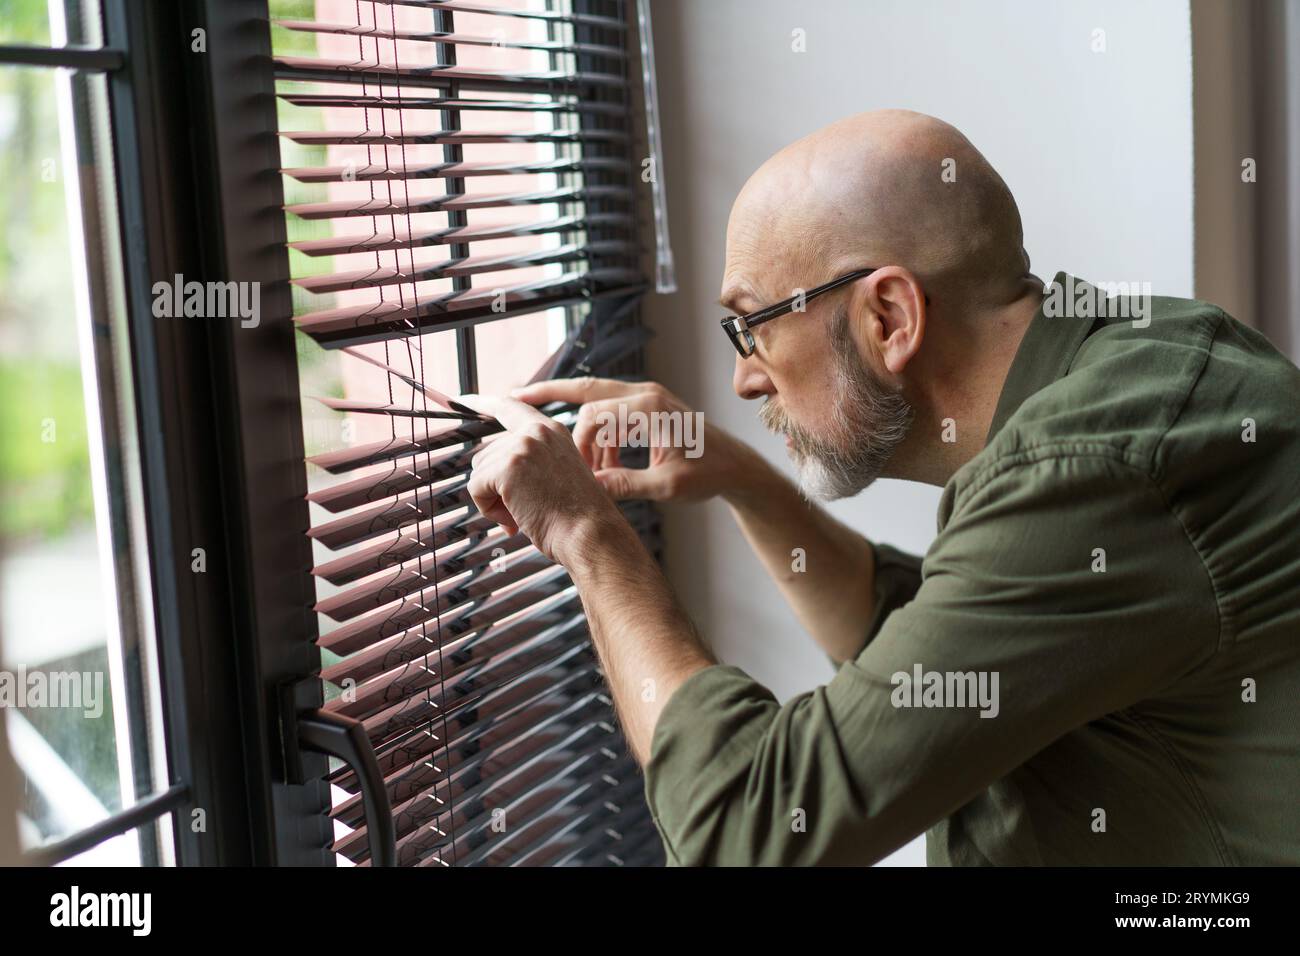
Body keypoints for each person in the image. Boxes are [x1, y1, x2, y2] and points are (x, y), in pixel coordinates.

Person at [459, 109, 1300, 866]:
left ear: (888, 317)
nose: (745, 382)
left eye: (750, 327)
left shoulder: (1087, 469)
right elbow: (931, 656)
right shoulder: (1141, 350)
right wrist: (746, 480)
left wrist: (586, 535)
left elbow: (743, 832)